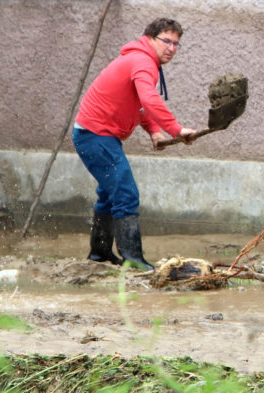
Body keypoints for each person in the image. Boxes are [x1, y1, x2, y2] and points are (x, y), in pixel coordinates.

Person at [72, 18, 198, 270]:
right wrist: (176, 129)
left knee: (110, 194)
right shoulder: (143, 62)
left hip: (96, 134)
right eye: (166, 41)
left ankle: (100, 254)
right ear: (149, 38)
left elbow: (139, 104)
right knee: (125, 192)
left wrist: (154, 131)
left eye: (176, 44)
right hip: (94, 134)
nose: (171, 48)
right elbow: (149, 100)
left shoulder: (141, 60)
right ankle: (133, 260)